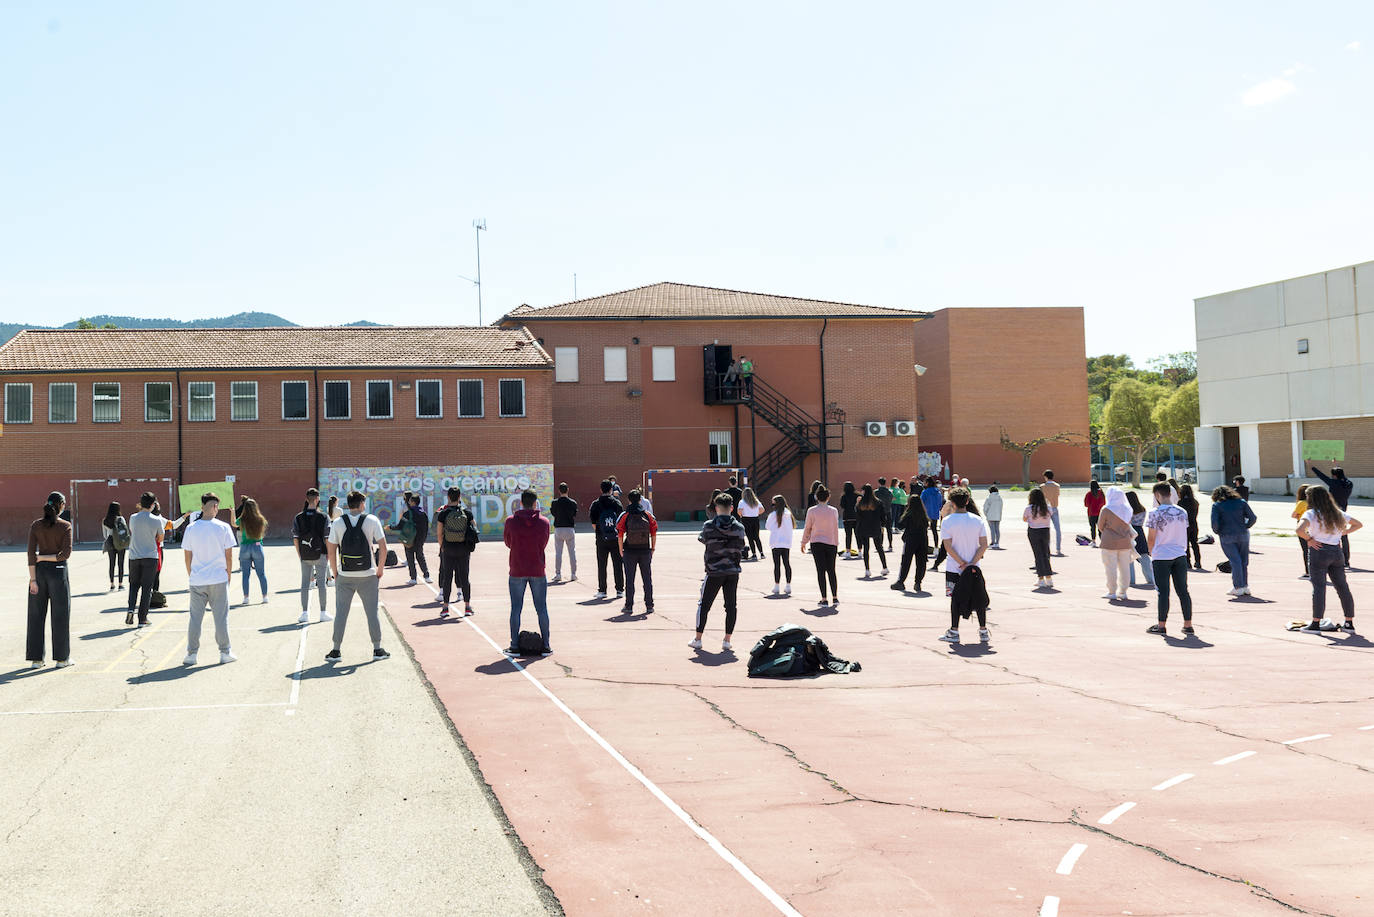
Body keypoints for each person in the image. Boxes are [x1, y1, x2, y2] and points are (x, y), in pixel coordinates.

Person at [324, 490, 390, 661]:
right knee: (372, 612)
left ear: (348, 504)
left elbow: (331, 551)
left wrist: (335, 573)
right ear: (361, 504)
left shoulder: (338, 522)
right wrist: (380, 569)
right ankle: (377, 649)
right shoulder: (372, 520)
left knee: (341, 613)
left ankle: (336, 650)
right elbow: (383, 547)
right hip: (368, 574)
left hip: (345, 574)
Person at [180, 493, 239, 666]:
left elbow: (187, 556)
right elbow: (229, 556)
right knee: (220, 617)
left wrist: (191, 574)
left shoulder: (191, 528)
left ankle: (191, 654)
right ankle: (225, 652)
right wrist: (228, 575)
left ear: (202, 506)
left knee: (195, 618)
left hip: (197, 579)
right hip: (218, 578)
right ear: (215, 507)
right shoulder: (223, 527)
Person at [1296, 484, 1361, 632]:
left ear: (1311, 498)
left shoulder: (1311, 513)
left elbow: (1299, 529)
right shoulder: (1337, 512)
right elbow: (1358, 524)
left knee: (1319, 588)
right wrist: (1342, 534)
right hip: (1336, 551)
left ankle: (1315, 623)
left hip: (1319, 552)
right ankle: (1349, 623)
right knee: (1342, 587)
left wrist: (1309, 539)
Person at [691, 493, 746, 652]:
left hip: (714, 571)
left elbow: (702, 539)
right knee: (731, 606)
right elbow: (742, 546)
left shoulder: (709, 525)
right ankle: (727, 640)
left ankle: (698, 638)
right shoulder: (739, 528)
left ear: (716, 508)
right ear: (732, 508)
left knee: (704, 605)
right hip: (732, 571)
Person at [937, 489, 991, 645]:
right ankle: (983, 631)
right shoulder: (977, 520)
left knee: (954, 599)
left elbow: (947, 546)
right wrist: (971, 563)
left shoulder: (947, 521)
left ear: (952, 503)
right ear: (967, 501)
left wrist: (961, 563)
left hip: (954, 568)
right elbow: (984, 545)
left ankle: (954, 631)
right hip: (975, 569)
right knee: (979, 597)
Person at [27, 492, 73, 669]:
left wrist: (33, 579)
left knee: (35, 615)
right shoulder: (65, 526)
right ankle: (62, 659)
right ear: (61, 505)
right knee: (60, 615)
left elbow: (31, 555)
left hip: (38, 574)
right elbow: (65, 555)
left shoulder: (36, 525)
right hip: (58, 573)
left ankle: (36, 660)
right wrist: (49, 558)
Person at [505, 490, 552, 655]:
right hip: (538, 569)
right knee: (542, 608)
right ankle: (546, 645)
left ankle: (514, 646)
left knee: (516, 609)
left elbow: (508, 542)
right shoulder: (544, 522)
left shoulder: (511, 521)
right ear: (535, 503)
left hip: (517, 569)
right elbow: (544, 543)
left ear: (520, 502)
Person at [1146, 482, 1194, 635]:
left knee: (1163, 592)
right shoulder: (1182, 512)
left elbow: (1151, 537)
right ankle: (1188, 624)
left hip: (1162, 555)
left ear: (1157, 495)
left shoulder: (1154, 513)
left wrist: (1150, 552)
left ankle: (1161, 625)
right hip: (1180, 553)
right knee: (1183, 591)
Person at [434, 487, 478, 618]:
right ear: (459, 497)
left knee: (447, 578)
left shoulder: (443, 513)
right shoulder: (467, 513)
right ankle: (467, 606)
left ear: (448, 497)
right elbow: (474, 528)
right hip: (463, 549)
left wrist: (442, 546)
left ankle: (446, 607)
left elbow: (439, 533)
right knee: (464, 577)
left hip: (448, 548)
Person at [292, 488, 332, 624]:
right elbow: (327, 537)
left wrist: (300, 555)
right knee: (321, 584)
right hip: (320, 554)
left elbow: (296, 539)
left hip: (305, 555)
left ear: (306, 499)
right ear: (317, 499)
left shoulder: (298, 517)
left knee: (305, 585)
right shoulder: (324, 517)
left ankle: (304, 613)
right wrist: (330, 554)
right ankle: (323, 612)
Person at [615, 489, 657, 613]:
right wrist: (652, 548)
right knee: (647, 578)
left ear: (628, 500)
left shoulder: (625, 515)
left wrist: (621, 549)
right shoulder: (647, 515)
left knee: (629, 579)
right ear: (640, 500)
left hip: (629, 551)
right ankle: (649, 605)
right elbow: (654, 532)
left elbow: (620, 533)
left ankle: (629, 606)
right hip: (645, 550)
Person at [1210, 484, 1257, 597]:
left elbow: (1215, 523)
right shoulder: (1241, 502)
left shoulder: (1217, 505)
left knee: (1235, 561)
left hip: (1227, 535)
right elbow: (1253, 517)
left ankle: (1237, 586)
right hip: (1243, 534)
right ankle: (1245, 585)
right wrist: (1246, 526)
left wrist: (1218, 531)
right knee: (1243, 561)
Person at [126, 492, 164, 628]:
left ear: (141, 503)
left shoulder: (133, 517)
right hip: (150, 556)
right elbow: (160, 538)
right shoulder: (157, 520)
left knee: (133, 585)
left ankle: (131, 609)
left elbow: (132, 531)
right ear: (153, 505)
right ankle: (142, 618)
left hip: (134, 556)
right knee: (147, 588)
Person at [800, 485, 840, 606]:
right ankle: (835, 597)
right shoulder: (834, 511)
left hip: (817, 542)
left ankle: (824, 598)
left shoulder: (812, 511)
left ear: (816, 497)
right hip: (831, 543)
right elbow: (835, 528)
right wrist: (836, 542)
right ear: (828, 497)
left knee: (821, 571)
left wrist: (803, 542)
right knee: (831, 570)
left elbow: (808, 527)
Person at [1310, 466, 1354, 567]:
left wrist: (1311, 466)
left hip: (1332, 511)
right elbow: (1342, 478)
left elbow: (1321, 475)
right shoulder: (1349, 484)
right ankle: (1346, 560)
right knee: (1343, 536)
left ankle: (1333, 558)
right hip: (1343, 511)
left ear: (1334, 475)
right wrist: (1337, 465)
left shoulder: (1333, 483)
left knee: (1332, 535)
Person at [1098, 487, 1136, 601]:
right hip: (1125, 542)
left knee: (1110, 568)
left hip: (1109, 542)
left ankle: (1111, 591)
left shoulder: (1106, 509)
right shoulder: (1127, 509)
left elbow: (1100, 526)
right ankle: (1123, 591)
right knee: (1125, 568)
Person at [589, 480, 625, 600]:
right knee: (618, 564)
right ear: (611, 489)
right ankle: (620, 589)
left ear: (601, 489)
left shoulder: (595, 504)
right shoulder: (617, 503)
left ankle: (602, 590)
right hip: (615, 538)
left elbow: (593, 523)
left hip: (601, 538)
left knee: (602, 564)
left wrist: (601, 531)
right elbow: (621, 521)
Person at [891, 487, 930, 593]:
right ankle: (918, 583)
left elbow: (899, 526)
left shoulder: (908, 514)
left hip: (910, 540)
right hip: (922, 540)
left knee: (906, 561)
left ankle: (901, 582)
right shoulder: (924, 516)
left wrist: (902, 513)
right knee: (921, 562)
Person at [238, 497, 269, 605]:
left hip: (245, 548)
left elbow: (234, 523)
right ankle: (265, 597)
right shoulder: (261, 519)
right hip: (257, 546)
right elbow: (264, 529)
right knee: (261, 573)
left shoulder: (242, 520)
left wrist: (232, 512)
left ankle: (246, 598)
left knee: (245, 575)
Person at [854, 484, 889, 577]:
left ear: (864, 492)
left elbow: (857, 516)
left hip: (864, 528)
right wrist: (882, 525)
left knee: (866, 549)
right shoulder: (878, 502)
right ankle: (885, 567)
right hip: (875, 527)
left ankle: (867, 570)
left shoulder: (860, 504)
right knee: (879, 547)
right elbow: (883, 516)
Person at [763, 494, 795, 595]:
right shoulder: (788, 514)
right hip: (786, 542)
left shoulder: (772, 515)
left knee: (777, 565)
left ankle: (776, 586)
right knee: (787, 563)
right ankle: (788, 585)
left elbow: (767, 526)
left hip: (775, 542)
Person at [1024, 486, 1054, 589]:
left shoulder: (1029, 508)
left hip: (1033, 531)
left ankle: (1041, 579)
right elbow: (1051, 515)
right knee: (1045, 553)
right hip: (1045, 530)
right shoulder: (1047, 507)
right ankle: (1049, 578)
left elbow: (1024, 518)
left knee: (1038, 554)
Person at [398, 494, 431, 586]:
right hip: (420, 539)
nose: (408, 502)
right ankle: (427, 576)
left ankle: (413, 578)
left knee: (410, 558)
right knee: (420, 557)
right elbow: (426, 527)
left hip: (409, 539)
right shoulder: (423, 513)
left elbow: (400, 525)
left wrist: (390, 527)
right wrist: (423, 539)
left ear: (412, 502)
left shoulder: (408, 513)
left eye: (410, 501)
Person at [550, 482, 579, 583]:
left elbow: (553, 513)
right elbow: (575, 514)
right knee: (572, 552)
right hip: (569, 528)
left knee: (558, 553)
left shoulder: (554, 502)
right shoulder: (573, 502)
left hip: (558, 528)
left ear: (559, 491)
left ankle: (558, 574)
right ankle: (573, 574)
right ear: (568, 490)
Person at [1125, 490, 1154, 589]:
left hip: (1129, 532)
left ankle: (1130, 579)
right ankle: (1151, 578)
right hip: (1140, 532)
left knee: (1129, 557)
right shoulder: (1142, 509)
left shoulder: (1126, 510)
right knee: (1144, 556)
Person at [102, 501, 128, 592]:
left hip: (110, 542)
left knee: (111, 564)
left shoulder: (105, 520)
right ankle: (120, 584)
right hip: (120, 542)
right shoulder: (121, 519)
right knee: (120, 563)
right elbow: (125, 531)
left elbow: (105, 535)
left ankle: (112, 585)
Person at [1177, 484, 1203, 570]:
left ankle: (1188, 562)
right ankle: (1198, 561)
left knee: (1186, 544)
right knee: (1195, 543)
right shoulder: (1195, 502)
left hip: (1184, 525)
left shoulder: (1180, 503)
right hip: (1194, 523)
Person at [738, 487, 765, 561]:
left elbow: (739, 511)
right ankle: (762, 553)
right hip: (755, 519)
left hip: (746, 519)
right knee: (756, 537)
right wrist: (756, 513)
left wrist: (742, 515)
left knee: (750, 537)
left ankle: (754, 554)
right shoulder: (756, 501)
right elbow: (762, 509)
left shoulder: (742, 501)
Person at [1041, 470, 1062, 555]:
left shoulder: (1042, 486)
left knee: (1046, 529)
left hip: (1045, 508)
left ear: (1046, 477)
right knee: (1058, 529)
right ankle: (1058, 549)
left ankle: (1047, 548)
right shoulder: (1057, 486)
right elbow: (1057, 495)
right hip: (1054, 507)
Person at [1291, 484, 1311, 579]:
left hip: (1303, 528)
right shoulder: (1313, 502)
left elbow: (1294, 515)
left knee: (1306, 550)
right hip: (1313, 527)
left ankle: (1308, 571)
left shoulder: (1301, 503)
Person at [920, 478, 943, 555]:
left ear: (927, 483)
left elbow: (921, 503)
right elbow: (940, 504)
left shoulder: (925, 492)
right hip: (935, 513)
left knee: (924, 531)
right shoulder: (938, 492)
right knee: (934, 531)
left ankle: (925, 548)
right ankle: (936, 548)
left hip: (926, 514)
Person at [839, 481, 860, 557]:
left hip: (847, 517)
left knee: (848, 535)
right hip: (856, 517)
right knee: (858, 535)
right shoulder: (857, 495)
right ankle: (860, 551)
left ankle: (848, 552)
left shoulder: (844, 496)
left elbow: (842, 506)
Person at [875, 478, 895, 551]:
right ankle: (890, 545)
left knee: (881, 529)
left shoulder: (876, 492)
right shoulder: (889, 492)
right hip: (888, 511)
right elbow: (892, 499)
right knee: (889, 529)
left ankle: (881, 545)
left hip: (879, 513)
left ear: (879, 483)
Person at [1084, 480, 1105, 546]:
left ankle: (1093, 541)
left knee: (1092, 527)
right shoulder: (1101, 493)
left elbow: (1086, 504)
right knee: (1101, 528)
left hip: (1091, 513)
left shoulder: (1089, 494)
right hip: (1100, 513)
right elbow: (1104, 503)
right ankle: (1103, 541)